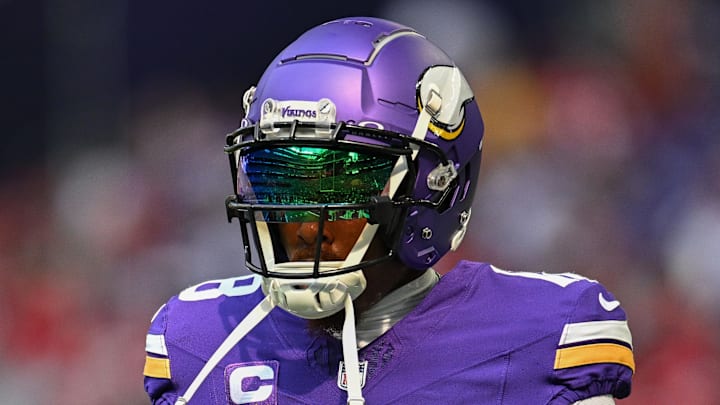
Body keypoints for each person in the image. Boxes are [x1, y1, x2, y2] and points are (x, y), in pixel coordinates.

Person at [142, 17, 634, 404]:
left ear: (434, 187)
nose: (305, 223)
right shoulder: (200, 341)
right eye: (279, 179)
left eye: (342, 182)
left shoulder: (537, 336)